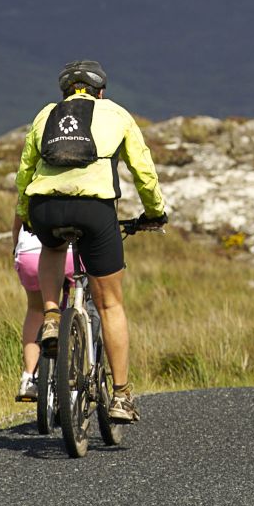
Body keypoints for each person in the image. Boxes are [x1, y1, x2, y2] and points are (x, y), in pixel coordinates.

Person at [14, 59, 168, 421]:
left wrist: (26, 213)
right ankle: (121, 395)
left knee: (52, 246)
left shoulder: (46, 115)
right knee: (111, 305)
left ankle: (52, 316)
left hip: (45, 206)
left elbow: (25, 169)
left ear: (65, 93)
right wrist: (155, 212)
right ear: (101, 91)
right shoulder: (116, 114)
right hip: (95, 211)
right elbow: (142, 170)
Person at [10, 218, 75, 402]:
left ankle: (29, 377)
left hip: (29, 254)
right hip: (69, 253)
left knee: (36, 309)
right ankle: (72, 371)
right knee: (76, 305)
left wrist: (16, 249)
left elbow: (17, 227)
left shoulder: (33, 187)